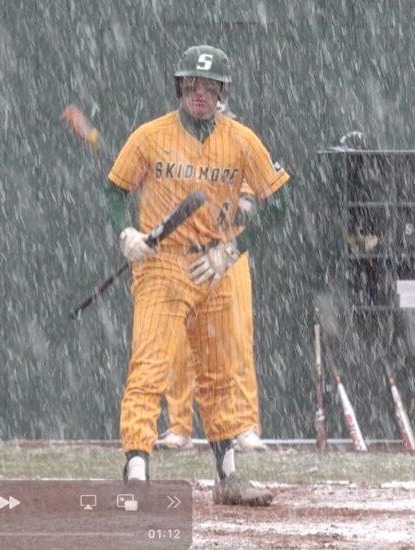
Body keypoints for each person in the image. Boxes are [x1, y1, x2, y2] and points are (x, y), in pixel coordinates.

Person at [106, 45, 287, 506]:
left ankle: (228, 477)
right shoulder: (150, 136)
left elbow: (280, 202)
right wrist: (125, 231)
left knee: (219, 374)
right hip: (163, 262)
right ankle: (137, 475)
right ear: (180, 88)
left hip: (215, 263)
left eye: (208, 86)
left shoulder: (242, 140)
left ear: (223, 91)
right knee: (149, 368)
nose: (198, 93)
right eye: (191, 84)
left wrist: (234, 249)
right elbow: (114, 191)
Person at [156, 101, 267, 453]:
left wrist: (233, 223)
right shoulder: (179, 155)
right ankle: (179, 426)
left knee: (236, 339)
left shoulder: (240, 149)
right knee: (177, 343)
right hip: (184, 255)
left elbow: (250, 203)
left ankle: (244, 424)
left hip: (226, 256)